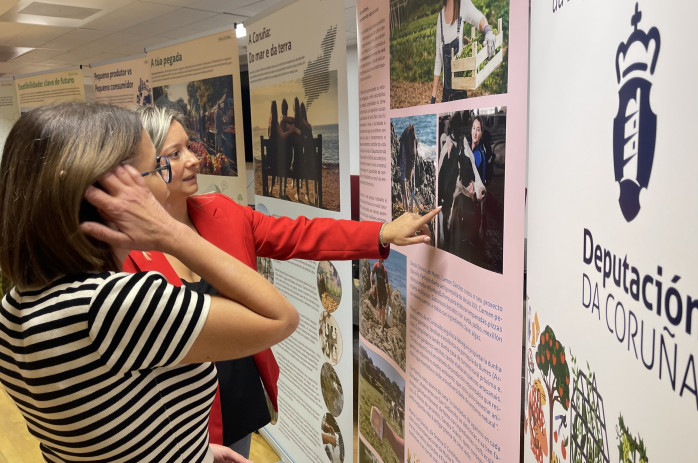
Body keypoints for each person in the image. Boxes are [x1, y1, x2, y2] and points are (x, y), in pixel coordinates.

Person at [127, 105, 440, 455]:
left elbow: (301, 235)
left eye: (190, 146)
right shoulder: (123, 253)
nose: (194, 159)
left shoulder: (223, 213)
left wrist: (381, 233)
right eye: (175, 153)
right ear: (145, 167)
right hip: (177, 426)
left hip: (240, 404)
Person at [0, 102, 298, 462]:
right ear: (113, 197)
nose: (164, 180)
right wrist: (172, 233)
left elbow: (110, 429)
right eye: (155, 168)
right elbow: (280, 318)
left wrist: (194, 451)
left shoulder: (16, 306)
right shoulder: (112, 304)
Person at [430, 0, 496, 103]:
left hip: (459, 91)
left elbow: (479, 19)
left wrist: (488, 31)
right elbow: (439, 58)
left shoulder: (463, 4)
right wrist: (433, 96)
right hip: (446, 91)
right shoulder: (440, 18)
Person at [371, 259, 391, 328]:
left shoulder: (384, 270)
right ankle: (382, 321)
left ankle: (382, 326)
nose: (379, 263)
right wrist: (372, 287)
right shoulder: (375, 265)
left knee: (383, 309)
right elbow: (372, 274)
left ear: (382, 262)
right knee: (380, 309)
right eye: (379, 261)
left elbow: (387, 282)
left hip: (384, 292)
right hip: (378, 291)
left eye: (381, 261)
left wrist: (389, 293)